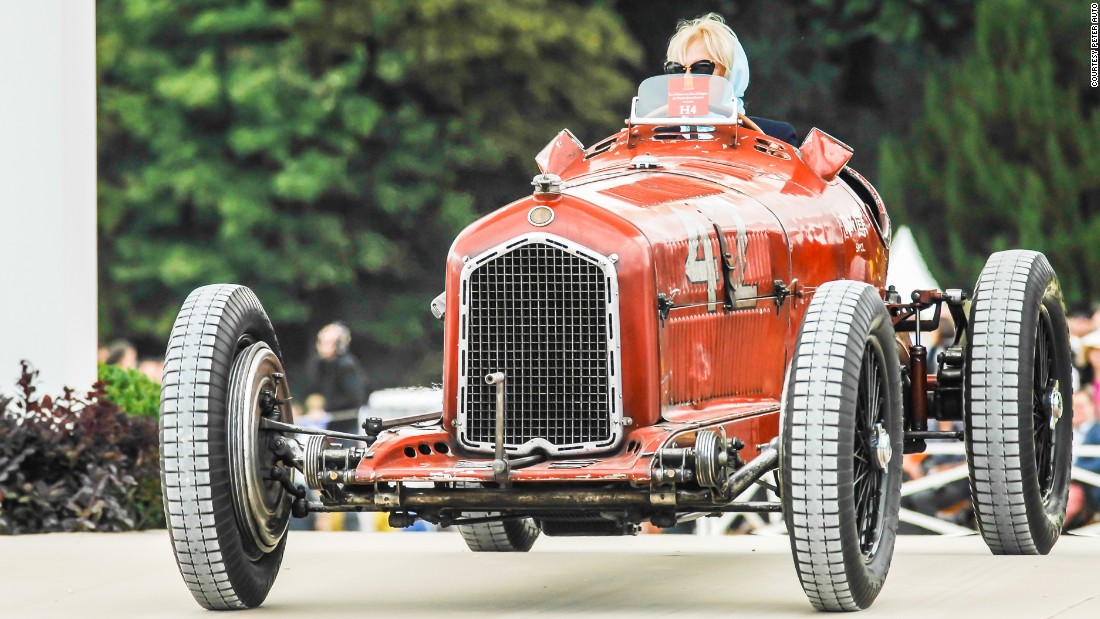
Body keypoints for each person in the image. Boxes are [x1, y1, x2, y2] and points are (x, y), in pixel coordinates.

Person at [664, 13, 798, 145]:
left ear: (732, 73)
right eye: (676, 69)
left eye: (701, 68)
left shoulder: (776, 137)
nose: (687, 80)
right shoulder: (655, 139)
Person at [303, 322, 369, 437]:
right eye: (320, 342)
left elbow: (354, 397)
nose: (320, 346)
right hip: (331, 425)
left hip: (346, 427)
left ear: (340, 345)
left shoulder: (346, 365)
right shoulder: (323, 364)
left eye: (327, 342)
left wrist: (325, 409)